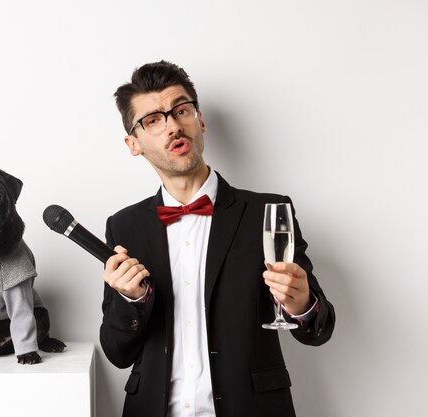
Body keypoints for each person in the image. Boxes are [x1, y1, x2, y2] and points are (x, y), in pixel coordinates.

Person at [99, 61, 335, 417]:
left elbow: (319, 330)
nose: (173, 126)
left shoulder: (267, 212)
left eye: (182, 110)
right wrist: (129, 300)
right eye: (153, 120)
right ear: (133, 144)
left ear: (201, 121)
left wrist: (301, 303)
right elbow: (117, 354)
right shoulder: (123, 227)